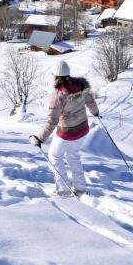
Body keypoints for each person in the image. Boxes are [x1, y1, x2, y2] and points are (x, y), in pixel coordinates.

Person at [29, 60, 99, 196]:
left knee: (54, 156)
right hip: (83, 129)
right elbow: (90, 100)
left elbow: (52, 120)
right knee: (74, 156)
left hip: (68, 132)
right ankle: (81, 188)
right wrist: (95, 112)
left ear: (55, 76)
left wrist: (40, 138)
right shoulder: (80, 85)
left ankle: (63, 189)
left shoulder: (58, 96)